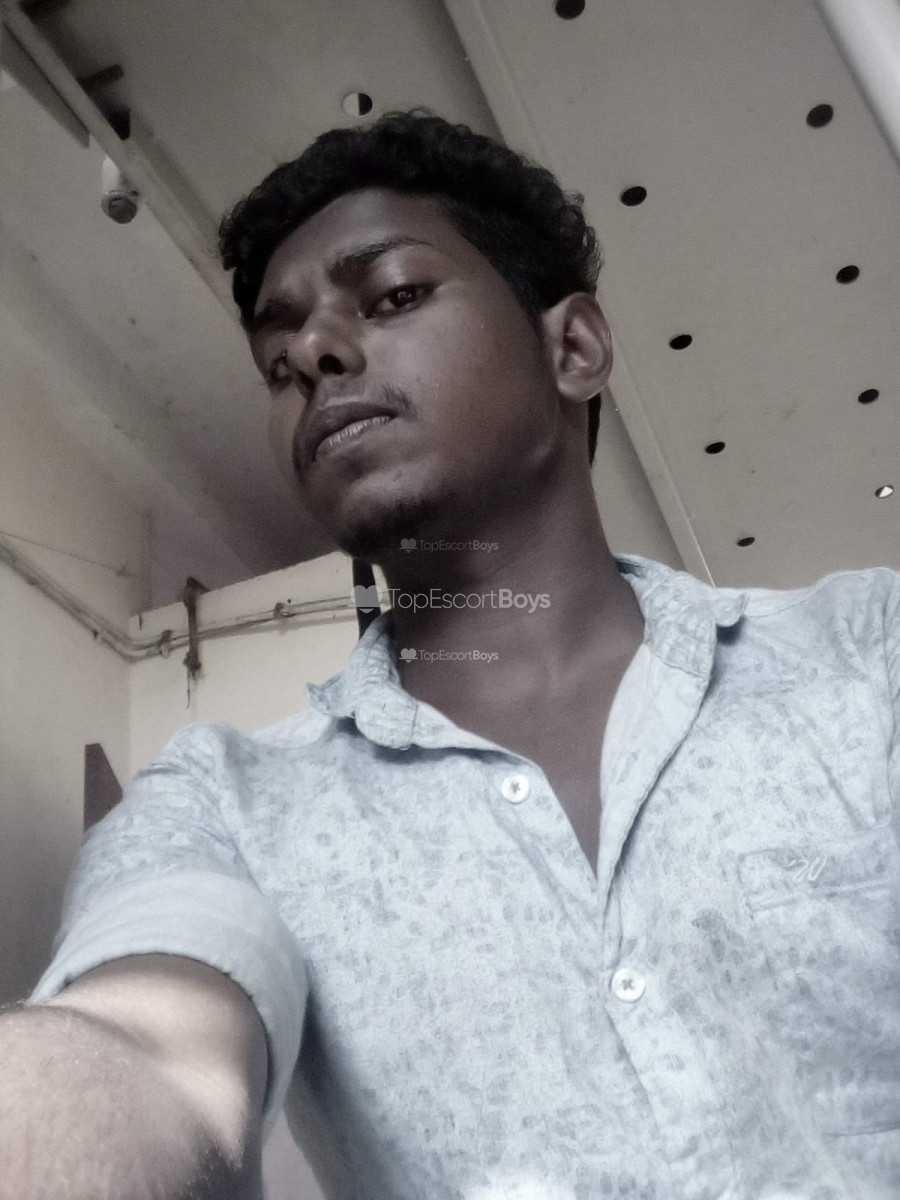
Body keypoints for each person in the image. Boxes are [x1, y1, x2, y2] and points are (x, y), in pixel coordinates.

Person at [3, 107, 898, 1199]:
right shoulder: (223, 806)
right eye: (279, 361)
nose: (314, 356)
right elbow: (149, 1050)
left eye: (392, 297)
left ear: (572, 349)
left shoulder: (869, 656)